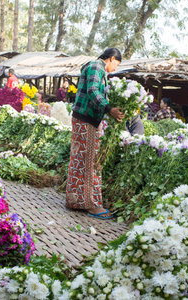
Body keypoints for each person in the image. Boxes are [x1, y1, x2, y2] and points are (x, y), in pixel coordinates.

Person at [66, 48, 124, 220]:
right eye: (117, 64)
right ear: (111, 58)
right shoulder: (97, 66)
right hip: (86, 120)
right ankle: (91, 204)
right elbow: (92, 90)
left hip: (84, 119)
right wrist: (109, 109)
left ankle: (76, 200)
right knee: (91, 161)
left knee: (81, 160)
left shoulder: (95, 67)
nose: (116, 68)